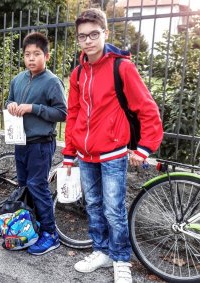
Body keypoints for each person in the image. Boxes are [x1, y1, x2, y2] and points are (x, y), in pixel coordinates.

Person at [62, 9, 163, 283]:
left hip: (113, 153)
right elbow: (74, 115)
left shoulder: (122, 67)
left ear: (105, 33)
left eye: (94, 34)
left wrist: (144, 147)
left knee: (113, 209)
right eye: (82, 36)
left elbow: (147, 108)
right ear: (78, 39)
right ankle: (101, 250)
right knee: (93, 205)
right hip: (85, 154)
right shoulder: (78, 74)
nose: (88, 41)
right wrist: (69, 153)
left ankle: (120, 259)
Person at [6, 32, 67, 255]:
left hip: (41, 144)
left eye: (37, 54)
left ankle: (50, 235)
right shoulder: (18, 79)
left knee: (37, 186)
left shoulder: (52, 81)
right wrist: (12, 105)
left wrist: (33, 108)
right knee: (24, 184)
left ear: (47, 56)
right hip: (20, 141)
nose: (31, 59)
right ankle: (31, 227)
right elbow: (9, 100)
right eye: (27, 54)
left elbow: (62, 113)